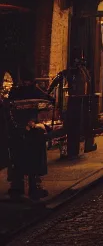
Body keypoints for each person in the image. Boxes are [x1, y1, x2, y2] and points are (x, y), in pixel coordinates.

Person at [7, 68, 53, 200]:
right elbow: (48, 100)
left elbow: (9, 108)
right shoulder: (35, 90)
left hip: (18, 130)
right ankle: (33, 188)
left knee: (18, 159)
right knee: (34, 159)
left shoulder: (16, 91)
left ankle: (17, 187)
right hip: (32, 130)